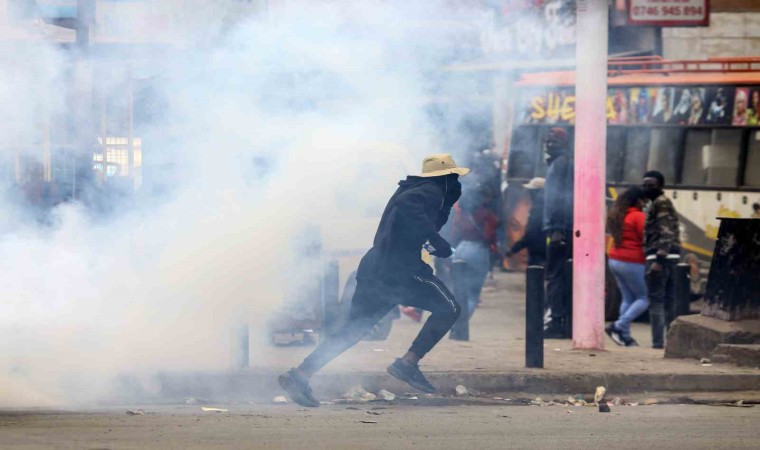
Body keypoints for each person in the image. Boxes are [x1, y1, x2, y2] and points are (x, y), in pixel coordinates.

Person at [278, 154, 468, 407]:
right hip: (402, 272)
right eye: (453, 177)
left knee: (352, 330)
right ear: (444, 178)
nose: (456, 182)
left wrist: (442, 214)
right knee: (450, 308)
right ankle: (408, 363)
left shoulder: (423, 191)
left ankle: (300, 375)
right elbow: (408, 205)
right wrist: (439, 242)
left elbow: (415, 221)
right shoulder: (427, 191)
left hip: (378, 269)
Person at [642, 170, 681, 350]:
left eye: (651, 185)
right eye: (645, 185)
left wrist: (659, 259)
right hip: (671, 257)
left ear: (660, 186)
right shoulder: (661, 202)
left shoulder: (660, 203)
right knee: (670, 301)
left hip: (660, 257)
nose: (647, 188)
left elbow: (666, 231)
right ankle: (672, 343)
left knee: (656, 301)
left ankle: (658, 343)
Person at [605, 187, 649, 347]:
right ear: (637, 200)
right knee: (644, 298)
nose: (645, 203)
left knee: (628, 298)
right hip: (633, 261)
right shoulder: (638, 216)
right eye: (643, 200)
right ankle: (618, 326)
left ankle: (625, 336)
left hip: (614, 259)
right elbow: (646, 237)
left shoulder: (617, 215)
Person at [542, 128, 574, 339]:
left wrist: (557, 229)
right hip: (555, 228)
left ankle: (557, 321)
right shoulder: (557, 163)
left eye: (554, 141)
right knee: (556, 275)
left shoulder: (562, 163)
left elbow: (561, 198)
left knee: (555, 276)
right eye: (547, 141)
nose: (549, 144)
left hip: (558, 230)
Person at [450, 189, 498, 318]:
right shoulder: (487, 215)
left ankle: (454, 323)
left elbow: (454, 234)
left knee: (459, 291)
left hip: (460, 249)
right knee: (473, 294)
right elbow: (489, 235)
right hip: (478, 250)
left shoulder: (460, 215)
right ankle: (460, 325)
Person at [505, 177, 546, 267]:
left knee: (535, 276)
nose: (529, 194)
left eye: (531, 191)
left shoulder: (538, 209)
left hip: (538, 254)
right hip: (543, 251)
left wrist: (513, 249)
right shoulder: (544, 206)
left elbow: (531, 235)